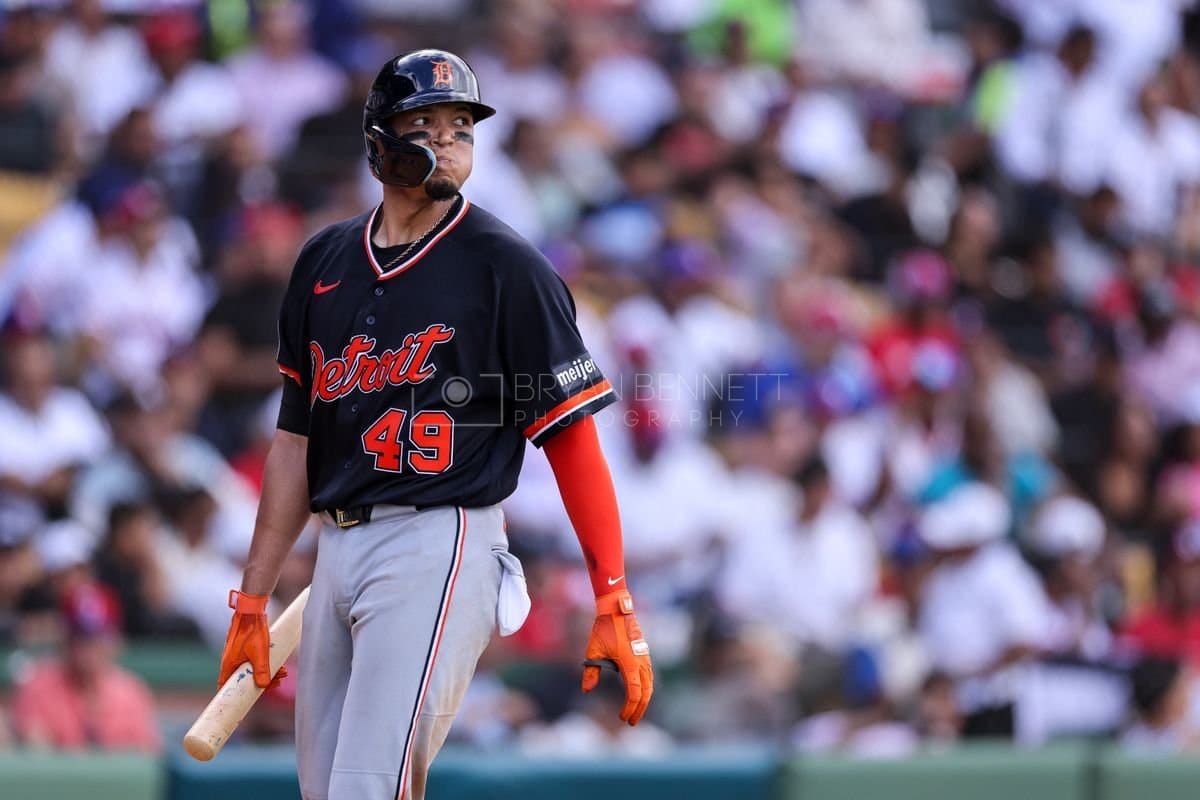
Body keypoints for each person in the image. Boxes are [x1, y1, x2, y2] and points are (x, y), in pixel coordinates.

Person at [216, 50, 653, 800]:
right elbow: (295, 440)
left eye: (462, 126)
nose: (449, 140)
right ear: (379, 140)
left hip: (440, 536)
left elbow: (571, 436)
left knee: (365, 789)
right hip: (337, 546)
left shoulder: (506, 265)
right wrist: (253, 595)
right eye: (427, 123)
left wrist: (612, 594)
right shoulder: (324, 260)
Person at [11, 581, 161, 753]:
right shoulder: (37, 689)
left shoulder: (131, 692)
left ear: (115, 641)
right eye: (80, 637)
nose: (88, 649)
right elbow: (38, 762)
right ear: (64, 639)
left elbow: (147, 758)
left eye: (98, 638)